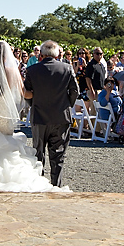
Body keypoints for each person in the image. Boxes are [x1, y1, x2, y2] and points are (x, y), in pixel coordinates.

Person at [0, 40, 68, 192]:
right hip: (4, 115)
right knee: (5, 148)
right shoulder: (12, 71)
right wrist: (41, 93)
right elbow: (25, 93)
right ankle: (5, 179)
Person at [23, 40, 79, 188]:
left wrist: (34, 104)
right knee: (58, 156)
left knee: (38, 155)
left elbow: (27, 93)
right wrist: (66, 105)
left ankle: (39, 186)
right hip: (61, 117)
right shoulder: (67, 68)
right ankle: (56, 187)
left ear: (41, 54)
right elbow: (75, 91)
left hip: (40, 116)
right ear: (57, 54)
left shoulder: (32, 70)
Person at [84, 47, 107, 111]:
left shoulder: (101, 65)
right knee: (94, 111)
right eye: (97, 54)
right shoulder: (91, 65)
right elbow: (88, 78)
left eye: (100, 54)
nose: (99, 55)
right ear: (93, 54)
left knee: (99, 111)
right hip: (94, 91)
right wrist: (92, 90)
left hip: (101, 91)